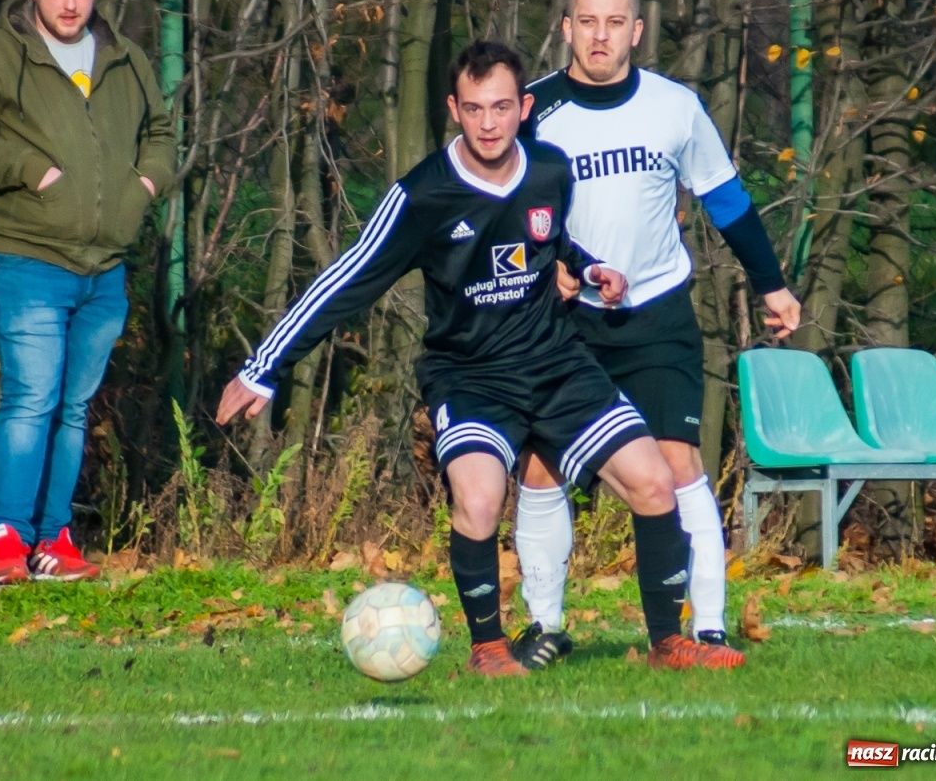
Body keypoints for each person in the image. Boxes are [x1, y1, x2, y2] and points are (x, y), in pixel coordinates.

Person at [218, 40, 744, 674]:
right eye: (473, 109)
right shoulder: (424, 195)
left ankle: (669, 643)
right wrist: (263, 367)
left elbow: (550, 240)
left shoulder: (551, 170)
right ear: (453, 110)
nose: (489, 123)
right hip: (470, 378)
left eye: (501, 108)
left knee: (655, 481)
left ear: (524, 107)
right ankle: (488, 650)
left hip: (556, 363)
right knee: (478, 500)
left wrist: (589, 266)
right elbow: (348, 277)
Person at [508, 0, 801, 667]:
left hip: (659, 313)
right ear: (568, 28)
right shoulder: (531, 111)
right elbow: (499, 210)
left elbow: (725, 199)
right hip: (567, 321)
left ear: (636, 31)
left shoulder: (674, 105)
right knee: (544, 470)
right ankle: (544, 626)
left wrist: (772, 285)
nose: (600, 35)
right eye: (587, 21)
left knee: (677, 468)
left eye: (615, 22)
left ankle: (704, 630)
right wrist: (542, 263)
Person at [0, 0, 174, 584]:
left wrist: (145, 187)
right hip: (29, 257)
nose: (71, 5)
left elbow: (162, 134)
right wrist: (33, 170)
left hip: (105, 266)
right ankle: (6, 539)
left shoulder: (125, 57)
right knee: (31, 397)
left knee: (72, 408)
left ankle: (53, 539)